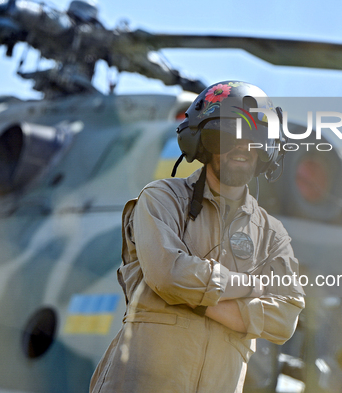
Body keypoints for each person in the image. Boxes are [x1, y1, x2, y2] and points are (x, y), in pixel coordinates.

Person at [90, 81, 305, 393]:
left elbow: (286, 316)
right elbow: (168, 274)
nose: (242, 148)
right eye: (228, 137)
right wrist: (251, 287)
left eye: (254, 140)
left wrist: (198, 303)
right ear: (204, 143)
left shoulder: (270, 235)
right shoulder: (163, 199)